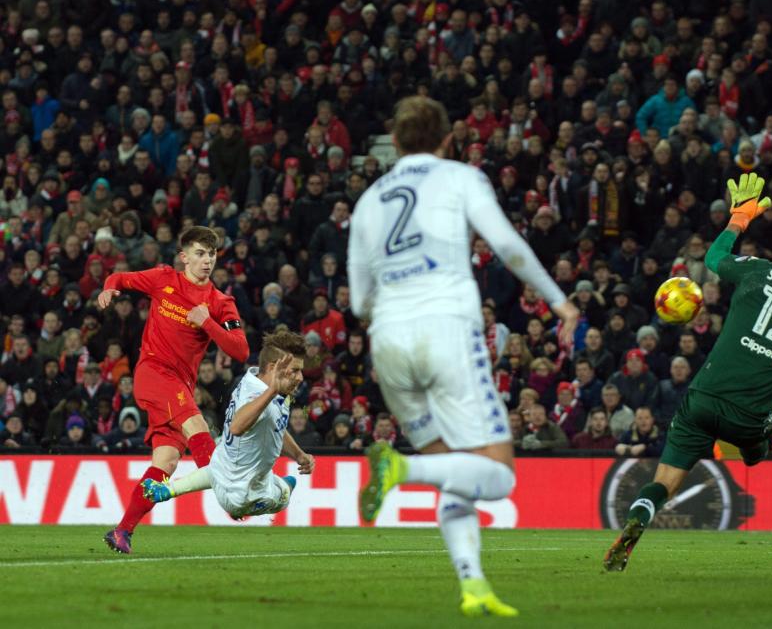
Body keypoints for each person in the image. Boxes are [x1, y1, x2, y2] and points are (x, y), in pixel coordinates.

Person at [347, 96, 579, 617]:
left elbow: (359, 301)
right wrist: (559, 302)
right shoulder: (458, 177)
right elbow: (507, 244)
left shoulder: (367, 202)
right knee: (497, 476)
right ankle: (399, 469)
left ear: (397, 141)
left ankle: (473, 585)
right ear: (447, 139)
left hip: (388, 340)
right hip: (447, 328)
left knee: (454, 470)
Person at [604, 173, 772, 571]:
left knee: (664, 483)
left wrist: (739, 219)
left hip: (701, 400)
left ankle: (637, 519)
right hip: (748, 415)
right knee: (757, 450)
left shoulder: (758, 272)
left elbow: (713, 261)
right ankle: (769, 433)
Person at [98, 226, 250, 554]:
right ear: (184, 257)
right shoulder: (163, 278)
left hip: (179, 386)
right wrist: (109, 288)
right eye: (199, 253)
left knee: (165, 465)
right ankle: (232, 499)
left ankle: (122, 531)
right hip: (152, 373)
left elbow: (241, 351)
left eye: (211, 254)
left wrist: (207, 323)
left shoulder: (220, 302)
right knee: (199, 428)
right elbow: (119, 278)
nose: (207, 260)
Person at [143, 332, 315, 519]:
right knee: (285, 492)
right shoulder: (263, 395)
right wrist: (272, 391)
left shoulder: (253, 378)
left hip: (223, 469)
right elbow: (237, 426)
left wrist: (298, 454)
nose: (300, 377)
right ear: (273, 368)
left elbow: (275, 425)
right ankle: (269, 494)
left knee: (220, 466)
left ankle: (170, 489)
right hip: (241, 496)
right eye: (295, 371)